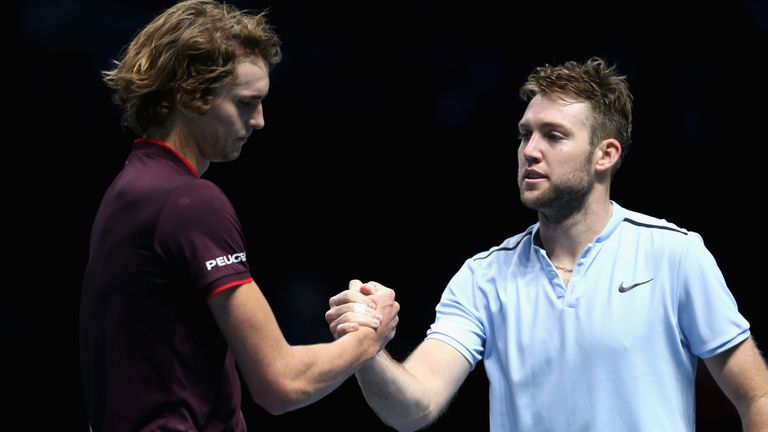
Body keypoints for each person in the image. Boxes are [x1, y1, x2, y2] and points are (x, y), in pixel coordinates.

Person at [325, 57, 768, 431]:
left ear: (605, 155)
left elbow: (757, 395)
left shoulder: (675, 256)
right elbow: (414, 407)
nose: (530, 151)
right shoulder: (484, 276)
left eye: (554, 136)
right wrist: (367, 349)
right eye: (525, 134)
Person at [79, 1, 398, 431]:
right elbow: (281, 382)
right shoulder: (189, 202)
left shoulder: (129, 190)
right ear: (192, 95)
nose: (260, 120)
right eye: (247, 103)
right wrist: (370, 337)